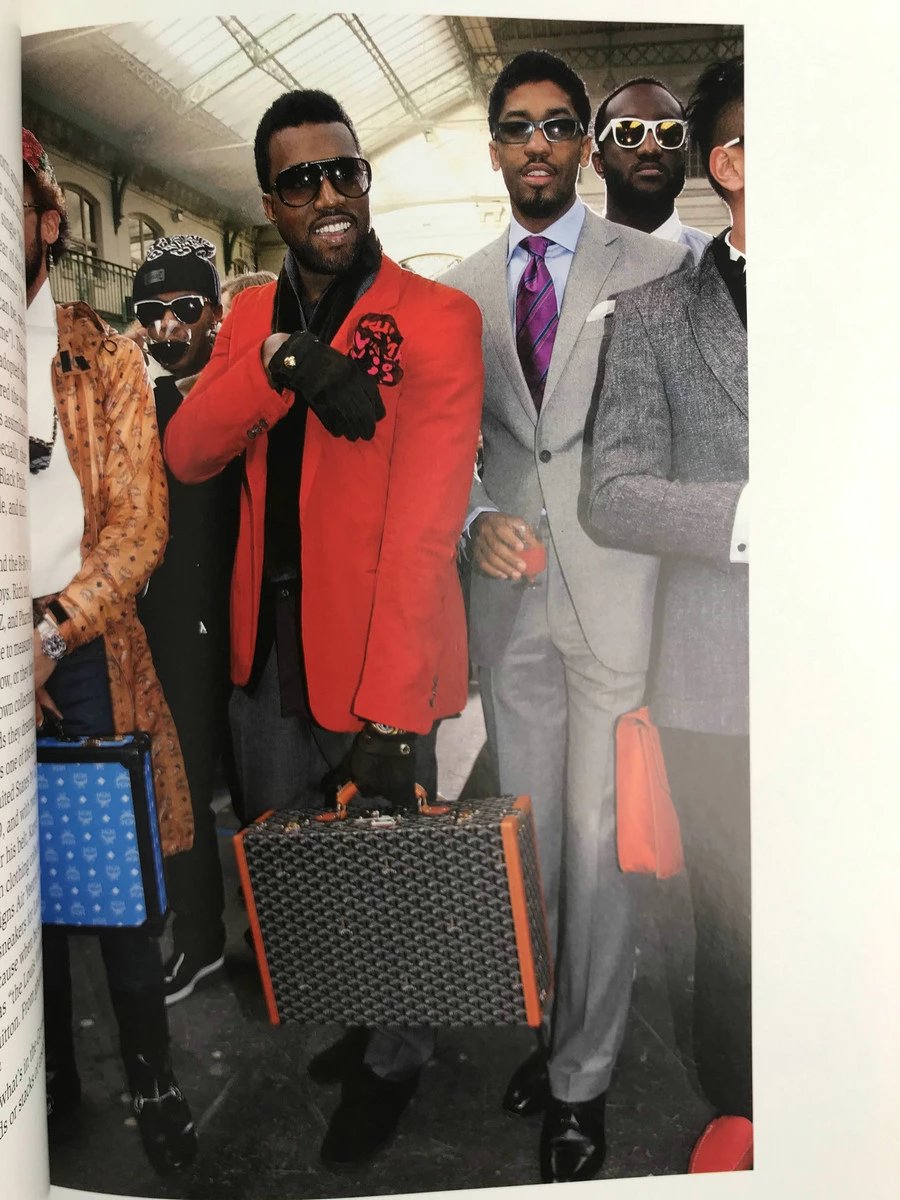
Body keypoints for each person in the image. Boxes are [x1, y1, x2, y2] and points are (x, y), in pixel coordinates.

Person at [163, 89, 483, 1167]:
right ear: (271, 204)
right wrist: (280, 363)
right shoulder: (252, 317)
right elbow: (189, 452)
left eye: (345, 171)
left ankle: (396, 1057)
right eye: (301, 180)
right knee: (301, 861)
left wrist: (391, 714)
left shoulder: (437, 317)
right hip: (268, 653)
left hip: (379, 648)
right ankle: (360, 1013)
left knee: (394, 871)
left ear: (364, 179)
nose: (329, 194)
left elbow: (427, 530)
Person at [443, 51, 688, 1183]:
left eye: (556, 126)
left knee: (597, 840)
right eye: (517, 127)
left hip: (618, 592)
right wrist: (473, 516)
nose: (536, 144)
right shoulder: (457, 291)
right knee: (533, 839)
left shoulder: (660, 264)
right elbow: (446, 447)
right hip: (511, 600)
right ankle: (553, 1037)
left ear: (582, 146)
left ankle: (583, 1076)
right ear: (494, 146)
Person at [24, 129, 197, 1174]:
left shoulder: (108, 358)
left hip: (82, 650)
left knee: (113, 877)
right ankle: (43, 1083)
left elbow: (140, 527)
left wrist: (51, 632)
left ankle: (155, 1079)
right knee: (19, 895)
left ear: (48, 220)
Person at [588, 58, 751, 1173]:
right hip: (718, 672)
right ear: (730, 163)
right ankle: (743, 1102)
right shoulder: (655, 317)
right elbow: (612, 491)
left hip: (859, 663)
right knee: (735, 910)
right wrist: (745, 515)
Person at [133, 235, 238, 1004]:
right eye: (153, 313)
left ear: (216, 314)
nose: (170, 326)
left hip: (257, 622)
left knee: (266, 789)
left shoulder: (247, 391)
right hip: (176, 631)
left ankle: (286, 941)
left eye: (187, 308)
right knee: (184, 786)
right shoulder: (140, 403)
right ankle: (199, 939)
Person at [591, 76, 711, 263]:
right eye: (628, 132)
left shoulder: (720, 265)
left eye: (669, 133)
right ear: (599, 163)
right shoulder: (566, 264)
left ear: (684, 153)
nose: (650, 148)